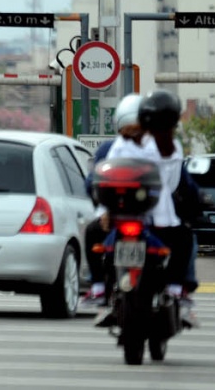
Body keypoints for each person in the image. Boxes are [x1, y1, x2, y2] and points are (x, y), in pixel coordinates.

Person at [100, 89, 199, 328]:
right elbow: (178, 182)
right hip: (150, 218)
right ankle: (176, 289)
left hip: (126, 215)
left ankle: (103, 292)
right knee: (184, 239)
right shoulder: (167, 146)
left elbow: (99, 180)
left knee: (103, 248)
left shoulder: (116, 146)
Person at [79, 93, 143, 309]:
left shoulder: (156, 149)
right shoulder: (110, 150)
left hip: (142, 217)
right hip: (125, 217)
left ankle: (97, 287)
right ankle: (98, 285)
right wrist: (104, 209)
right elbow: (93, 183)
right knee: (92, 232)